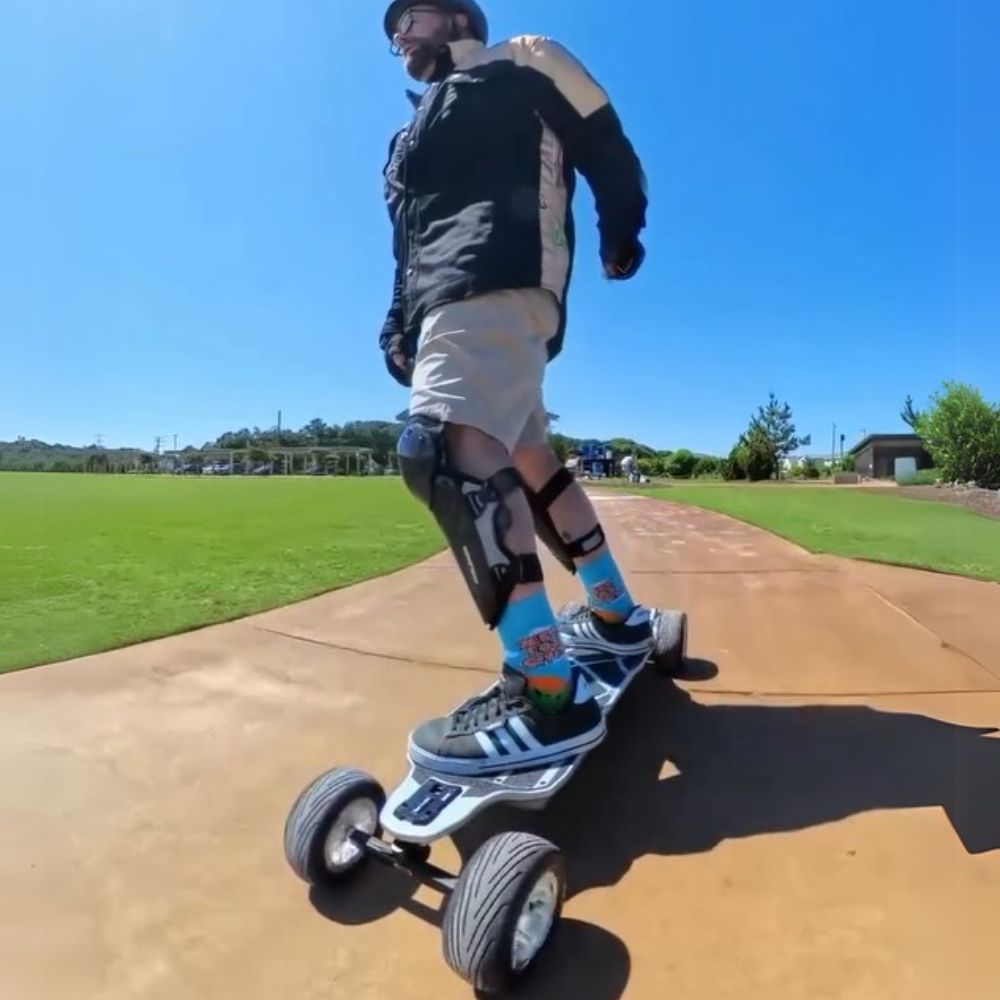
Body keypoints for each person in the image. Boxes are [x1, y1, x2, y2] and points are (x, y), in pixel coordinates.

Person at [379, 0, 653, 776]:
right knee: (529, 462)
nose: (400, 32)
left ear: (460, 17)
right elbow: (409, 241)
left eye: (414, 15)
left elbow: (603, 133)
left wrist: (621, 225)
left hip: (497, 273)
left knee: (441, 451)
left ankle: (546, 687)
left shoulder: (521, 60)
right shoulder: (405, 139)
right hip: (456, 297)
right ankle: (613, 610)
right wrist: (397, 322)